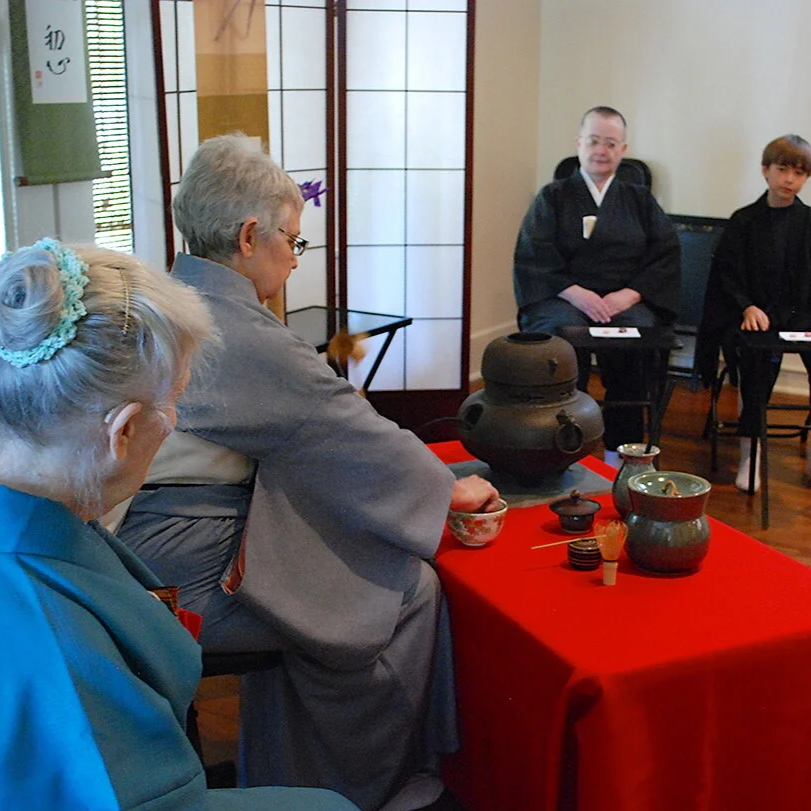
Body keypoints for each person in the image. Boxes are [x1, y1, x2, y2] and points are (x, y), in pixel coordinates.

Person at [113, 134, 500, 811]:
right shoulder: (230, 327)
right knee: (400, 591)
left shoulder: (172, 296)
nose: (294, 259)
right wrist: (448, 490)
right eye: (292, 242)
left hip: (140, 549)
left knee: (323, 569)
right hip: (178, 567)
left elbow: (323, 427)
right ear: (248, 234)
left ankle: (285, 767)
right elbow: (338, 425)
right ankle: (365, 785)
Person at [0, 239, 357, 811]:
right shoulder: (47, 632)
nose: (174, 422)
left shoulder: (38, 515)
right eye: (176, 402)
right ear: (122, 432)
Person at [512, 105, 681, 463]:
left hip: (625, 300)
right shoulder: (553, 197)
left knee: (636, 339)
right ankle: (560, 443)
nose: (600, 150)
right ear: (578, 144)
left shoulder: (639, 200)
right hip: (564, 296)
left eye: (610, 143)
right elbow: (535, 254)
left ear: (623, 149)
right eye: (593, 141)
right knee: (560, 335)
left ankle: (621, 451)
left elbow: (664, 253)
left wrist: (627, 296)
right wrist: (579, 295)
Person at [696, 134, 811, 492]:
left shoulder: (809, 222)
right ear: (765, 171)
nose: (790, 179)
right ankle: (752, 449)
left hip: (801, 315)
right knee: (755, 359)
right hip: (751, 314)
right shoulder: (743, 221)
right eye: (782, 169)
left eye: (799, 172)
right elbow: (727, 276)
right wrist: (747, 306)